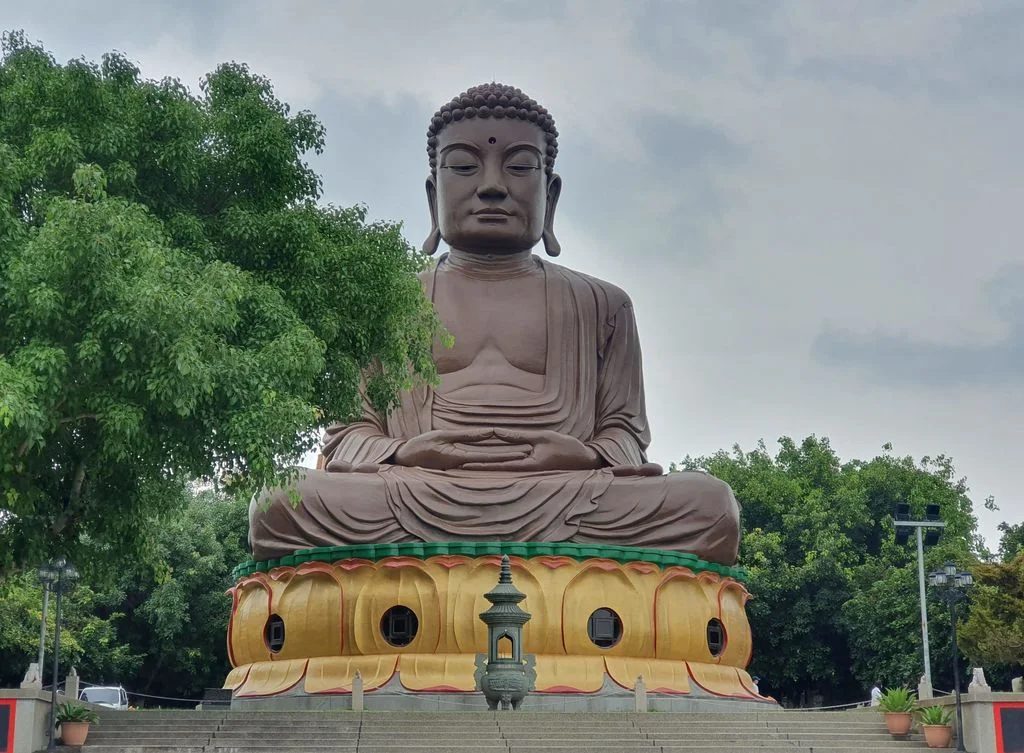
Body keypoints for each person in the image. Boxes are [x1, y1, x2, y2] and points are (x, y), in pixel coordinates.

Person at [249, 83, 741, 565]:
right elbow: (348, 436)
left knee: (711, 506)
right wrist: (405, 453)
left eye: (520, 166)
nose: (491, 185)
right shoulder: (384, 304)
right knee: (279, 502)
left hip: (566, 495)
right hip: (415, 491)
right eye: (463, 166)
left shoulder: (603, 304)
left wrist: (581, 456)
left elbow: (626, 436)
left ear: (550, 194)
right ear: (432, 195)